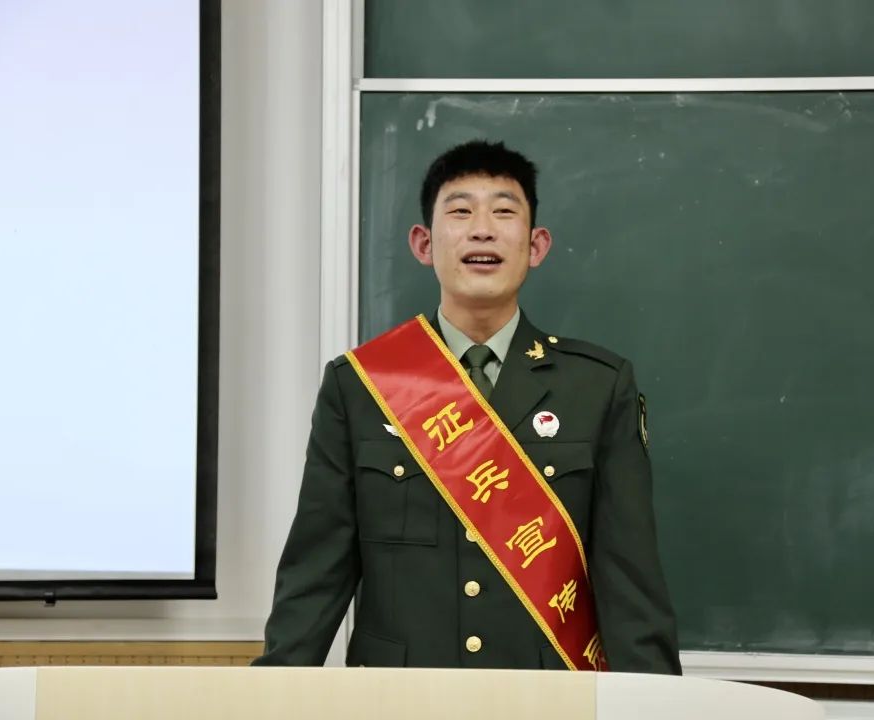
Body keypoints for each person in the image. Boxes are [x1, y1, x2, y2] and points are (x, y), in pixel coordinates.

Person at [253, 140, 680, 673]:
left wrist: (655, 701)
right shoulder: (360, 386)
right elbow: (317, 570)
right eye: (460, 211)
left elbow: (629, 578)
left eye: (504, 211)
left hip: (548, 697)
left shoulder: (597, 387)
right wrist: (272, 693)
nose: (482, 229)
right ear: (423, 243)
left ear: (536, 245)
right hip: (400, 698)